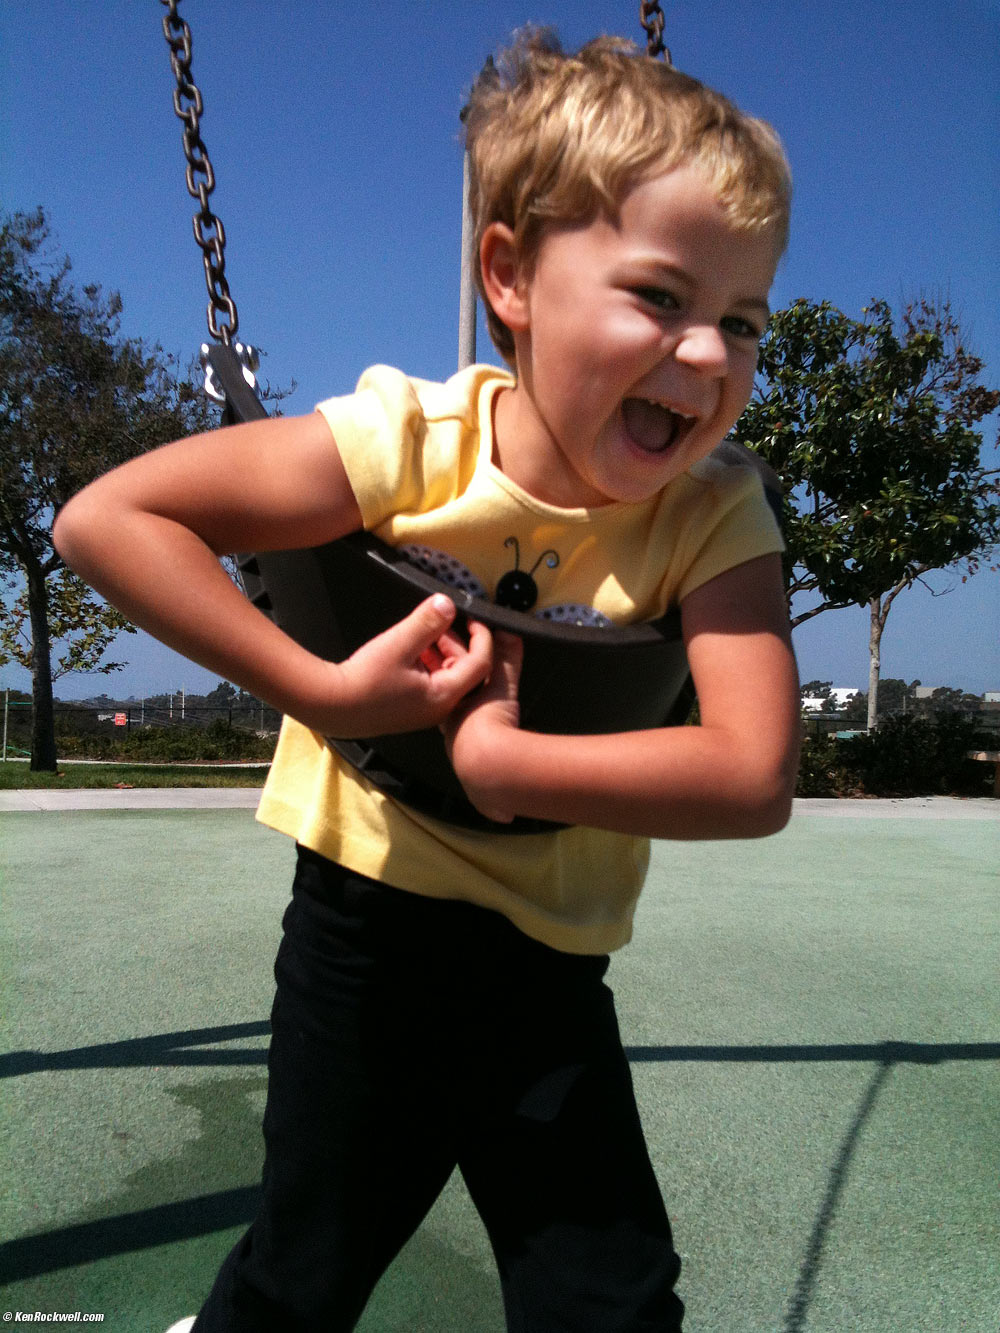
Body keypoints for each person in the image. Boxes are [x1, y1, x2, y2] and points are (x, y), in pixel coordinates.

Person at [54, 30, 800, 1332]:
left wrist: (511, 764)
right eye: (660, 296)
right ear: (509, 277)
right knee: (302, 1279)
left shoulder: (714, 513)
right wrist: (324, 692)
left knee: (613, 1306)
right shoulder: (407, 443)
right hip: (364, 936)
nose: (706, 355)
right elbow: (106, 520)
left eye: (741, 320)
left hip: (548, 964)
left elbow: (751, 771)